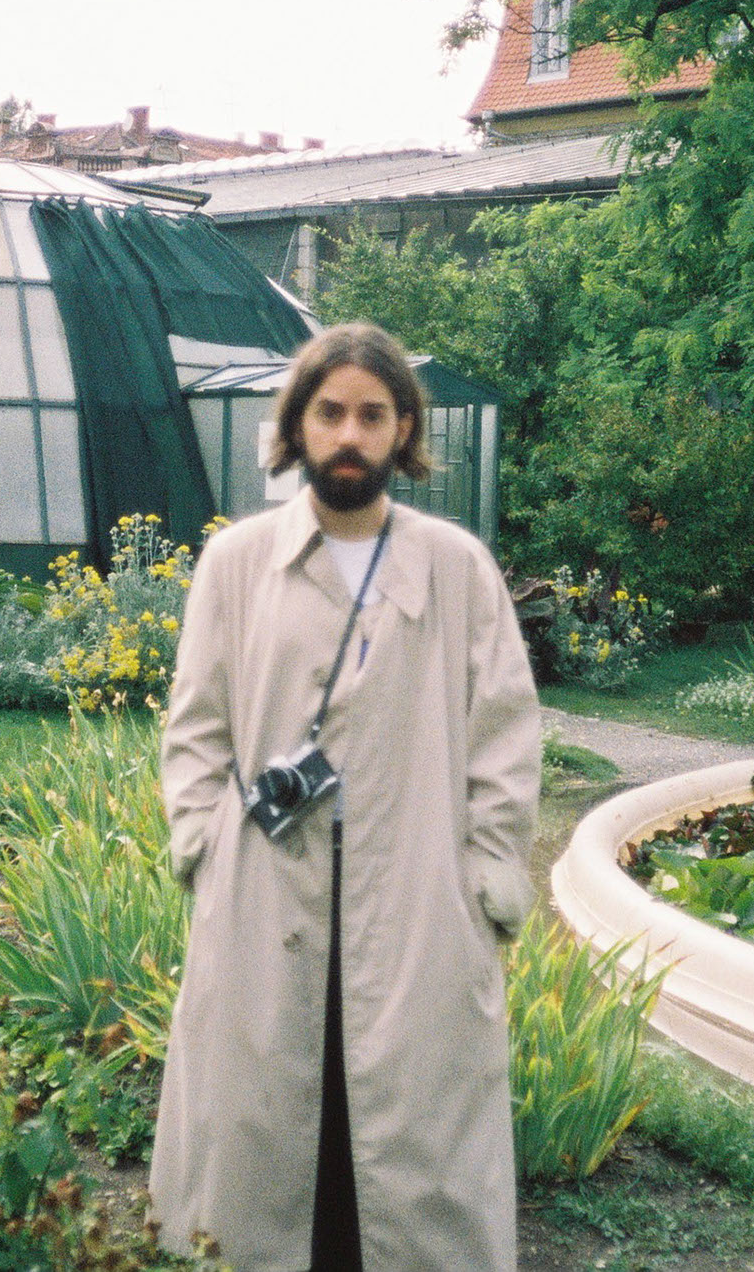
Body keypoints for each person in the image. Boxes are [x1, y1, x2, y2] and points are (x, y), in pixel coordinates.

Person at [150, 322, 541, 1272]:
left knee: (413, 1139)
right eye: (330, 413)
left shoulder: (456, 568)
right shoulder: (236, 564)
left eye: (373, 414)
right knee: (260, 1130)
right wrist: (204, 846)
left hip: (417, 909)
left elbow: (503, 735)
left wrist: (486, 877)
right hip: (263, 896)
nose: (350, 435)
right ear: (298, 426)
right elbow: (196, 729)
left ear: (404, 428)